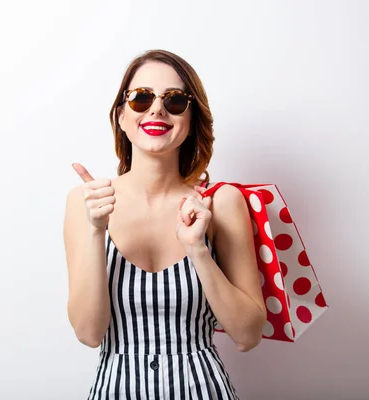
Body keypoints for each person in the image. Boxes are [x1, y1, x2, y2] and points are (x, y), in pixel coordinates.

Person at [63, 49, 266, 399]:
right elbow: (89, 333)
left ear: (190, 121)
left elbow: (248, 335)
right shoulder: (86, 202)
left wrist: (197, 249)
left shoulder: (221, 203)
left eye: (174, 101)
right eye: (141, 98)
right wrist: (97, 231)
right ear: (121, 116)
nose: (156, 109)